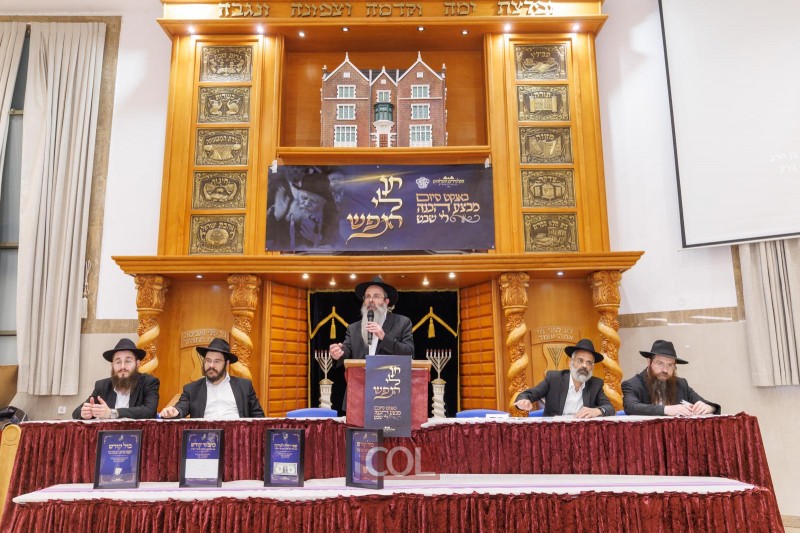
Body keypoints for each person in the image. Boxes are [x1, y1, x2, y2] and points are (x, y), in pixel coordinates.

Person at [159, 338, 264, 419]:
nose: (211, 365)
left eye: (217, 361)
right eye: (208, 360)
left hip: (237, 437)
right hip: (204, 439)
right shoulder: (192, 389)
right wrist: (174, 411)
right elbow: (181, 407)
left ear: (227, 363)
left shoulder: (244, 386)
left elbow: (259, 417)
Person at [513, 339, 614, 418]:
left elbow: (610, 408)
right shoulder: (554, 379)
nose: (584, 366)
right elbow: (528, 394)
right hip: (554, 432)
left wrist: (598, 410)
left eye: (589, 362)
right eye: (580, 360)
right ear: (571, 362)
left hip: (582, 433)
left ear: (592, 367)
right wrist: (523, 401)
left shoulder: (596, 384)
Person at [622, 339, 720, 416]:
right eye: (660, 363)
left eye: (670, 365)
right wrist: (666, 409)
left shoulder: (681, 384)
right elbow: (630, 407)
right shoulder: (632, 384)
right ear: (649, 362)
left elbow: (707, 404)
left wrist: (708, 408)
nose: (665, 370)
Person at [329, 276, 415, 364]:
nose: (371, 300)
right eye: (367, 296)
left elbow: (409, 353)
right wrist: (338, 353)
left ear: (386, 301)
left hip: (390, 372)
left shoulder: (402, 323)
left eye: (376, 296)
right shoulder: (353, 329)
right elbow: (346, 352)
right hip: (361, 373)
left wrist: (384, 337)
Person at [73, 338, 160, 420]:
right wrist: (85, 413)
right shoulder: (102, 386)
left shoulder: (149, 382)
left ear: (137, 364)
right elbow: (76, 412)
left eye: (128, 361)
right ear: (112, 365)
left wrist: (112, 413)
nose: (122, 367)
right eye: (118, 362)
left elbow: (149, 411)